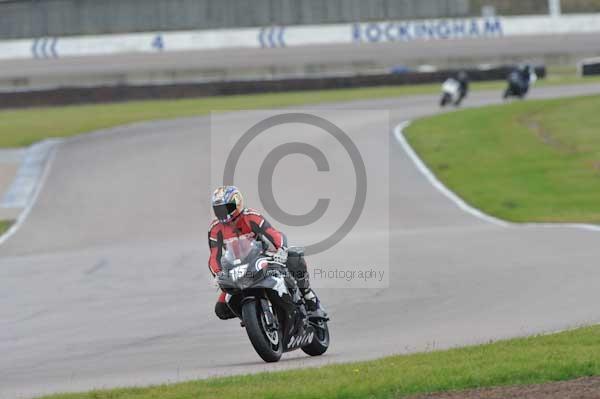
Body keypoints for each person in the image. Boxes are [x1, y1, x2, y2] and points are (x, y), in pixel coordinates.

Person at [208, 185, 321, 320]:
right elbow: (214, 256)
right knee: (221, 309)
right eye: (219, 209)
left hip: (262, 258)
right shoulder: (215, 229)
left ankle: (308, 296)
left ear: (237, 204)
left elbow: (273, 234)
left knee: (293, 256)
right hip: (236, 268)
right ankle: (253, 318)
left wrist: (281, 250)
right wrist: (218, 274)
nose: (223, 212)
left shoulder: (251, 216)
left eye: (227, 207)